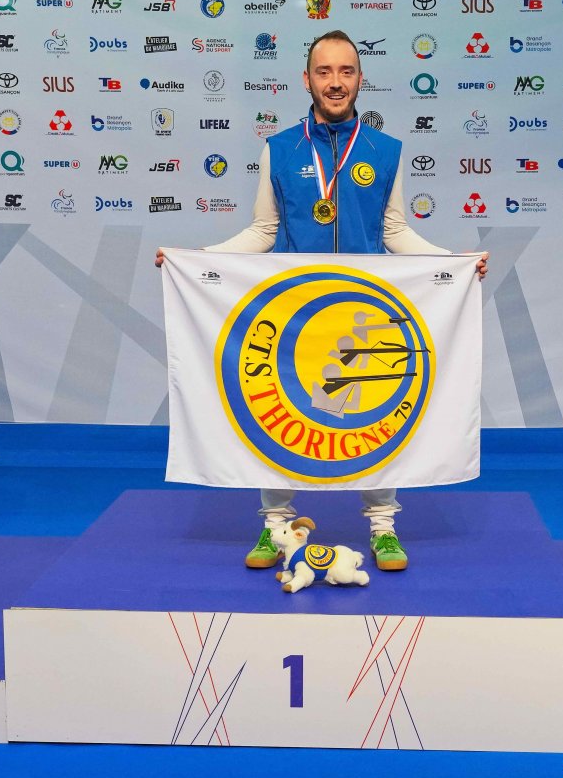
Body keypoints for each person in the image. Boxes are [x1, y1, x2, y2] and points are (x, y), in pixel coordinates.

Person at [158, 30, 487, 572]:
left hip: (365, 310)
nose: (336, 82)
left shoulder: (385, 150)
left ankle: (383, 528)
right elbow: (264, 230)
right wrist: (194, 259)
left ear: (360, 79)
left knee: (377, 417)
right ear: (306, 79)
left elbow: (394, 230)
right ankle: (275, 526)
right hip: (292, 313)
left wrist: (454, 262)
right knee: (276, 416)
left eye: (346, 71)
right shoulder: (280, 148)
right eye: (325, 71)